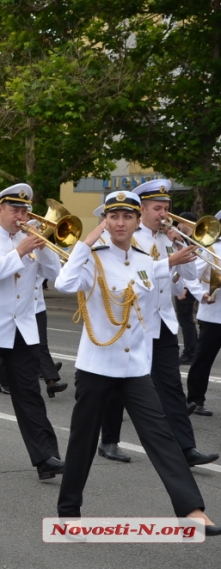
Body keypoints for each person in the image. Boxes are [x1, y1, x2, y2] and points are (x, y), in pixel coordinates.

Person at [54, 190, 220, 536]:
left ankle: (192, 509)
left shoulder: (145, 259)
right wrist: (85, 243)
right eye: (113, 217)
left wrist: (180, 256)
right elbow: (64, 282)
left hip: (134, 369)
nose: (120, 223)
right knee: (83, 441)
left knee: (160, 436)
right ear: (105, 221)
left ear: (135, 221)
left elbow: (166, 277)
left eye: (127, 217)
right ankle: (69, 511)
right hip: (97, 365)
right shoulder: (93, 258)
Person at [0, 183, 64, 480]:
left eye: (25, 210)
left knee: (29, 393)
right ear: (0, 209)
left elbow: (55, 276)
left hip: (23, 328)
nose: (21, 215)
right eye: (15, 209)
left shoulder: (30, 238)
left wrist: (43, 248)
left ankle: (46, 457)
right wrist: (21, 250)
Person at [126, 179, 217, 466]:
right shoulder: (130, 237)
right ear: (142, 209)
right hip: (133, 322)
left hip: (162, 322)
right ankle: (108, 439)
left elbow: (185, 280)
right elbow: (135, 275)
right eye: (157, 208)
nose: (164, 213)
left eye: (166, 207)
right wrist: (170, 261)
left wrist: (183, 247)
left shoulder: (168, 238)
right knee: (118, 384)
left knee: (170, 386)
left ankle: (186, 448)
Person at [184, 208, 221, 417]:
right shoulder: (209, 248)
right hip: (214, 314)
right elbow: (191, 276)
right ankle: (196, 399)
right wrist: (201, 295)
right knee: (203, 360)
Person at [174, 211, 200, 365]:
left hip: (188, 285)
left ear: (186, 223)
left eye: (179, 223)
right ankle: (192, 351)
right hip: (187, 284)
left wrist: (184, 287)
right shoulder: (187, 239)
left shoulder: (190, 240)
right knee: (186, 320)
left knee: (186, 320)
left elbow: (191, 265)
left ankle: (190, 353)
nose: (177, 226)